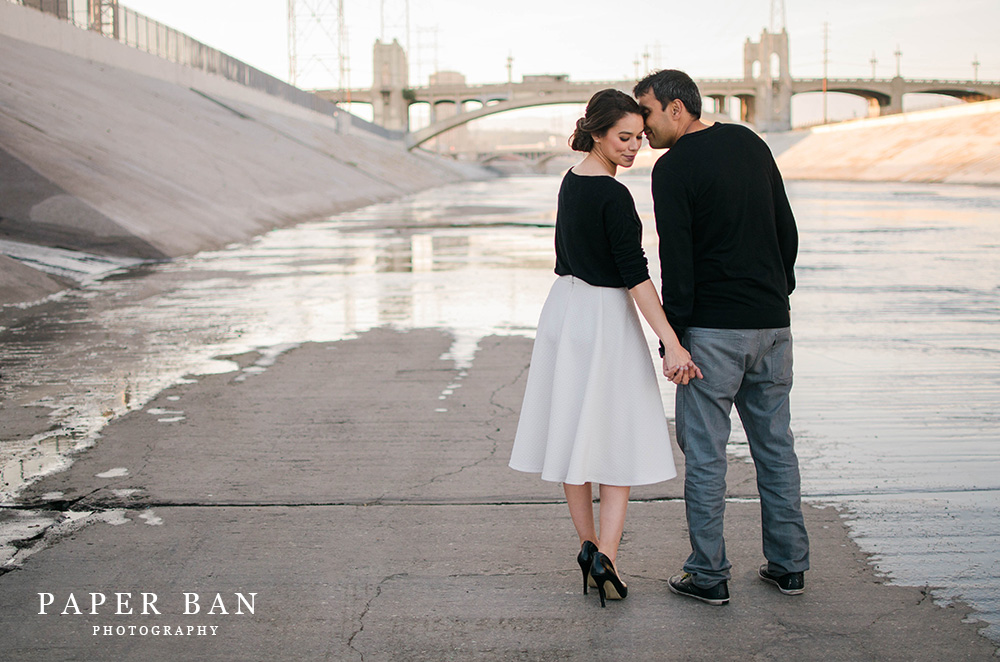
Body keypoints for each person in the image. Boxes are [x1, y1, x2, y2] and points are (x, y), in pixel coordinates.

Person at [508, 89, 701, 608]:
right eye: (624, 138)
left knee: (574, 435)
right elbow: (636, 278)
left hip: (562, 313)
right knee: (616, 437)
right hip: (603, 318)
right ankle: (608, 558)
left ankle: (588, 548)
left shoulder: (570, 182)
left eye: (639, 137)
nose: (635, 147)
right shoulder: (615, 197)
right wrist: (672, 343)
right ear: (596, 133)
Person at [633, 69, 809, 606]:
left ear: (676, 109)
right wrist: (779, 291)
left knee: (707, 456)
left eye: (647, 112)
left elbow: (676, 259)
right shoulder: (748, 141)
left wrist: (675, 339)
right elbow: (786, 226)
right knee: (775, 448)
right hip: (772, 325)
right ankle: (789, 566)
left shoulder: (672, 167)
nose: (642, 125)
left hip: (712, 332)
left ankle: (708, 575)